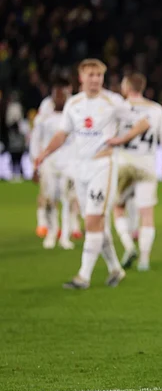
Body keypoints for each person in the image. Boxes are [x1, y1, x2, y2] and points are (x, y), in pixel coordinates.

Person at [34, 58, 150, 289]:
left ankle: (83, 276)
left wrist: (122, 139)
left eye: (99, 75)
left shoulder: (113, 101)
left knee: (92, 220)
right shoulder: (74, 103)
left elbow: (143, 123)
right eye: (91, 75)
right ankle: (115, 269)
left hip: (103, 167)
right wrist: (44, 153)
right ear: (81, 77)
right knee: (96, 224)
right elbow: (62, 133)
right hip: (80, 168)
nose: (95, 79)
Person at [114, 73, 162, 271]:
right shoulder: (155, 109)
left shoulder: (118, 108)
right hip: (147, 165)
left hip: (124, 163)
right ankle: (144, 259)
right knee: (146, 213)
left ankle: (129, 246)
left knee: (118, 207)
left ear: (126, 87)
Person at [29, 77, 76, 250]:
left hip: (68, 163)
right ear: (52, 97)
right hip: (49, 162)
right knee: (49, 199)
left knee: (67, 199)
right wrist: (35, 163)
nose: (59, 98)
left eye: (62, 95)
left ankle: (65, 236)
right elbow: (35, 140)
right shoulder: (43, 118)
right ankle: (51, 232)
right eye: (57, 95)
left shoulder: (73, 117)